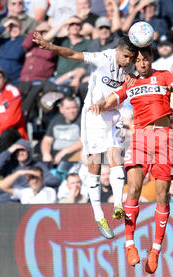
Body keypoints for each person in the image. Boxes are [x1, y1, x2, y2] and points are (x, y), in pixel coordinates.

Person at [88, 45, 173, 274]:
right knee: (133, 189)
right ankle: (130, 244)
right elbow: (113, 98)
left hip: (164, 137)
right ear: (134, 62)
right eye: (138, 60)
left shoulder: (163, 75)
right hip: (140, 137)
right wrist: (98, 105)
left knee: (162, 194)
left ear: (151, 59)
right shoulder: (130, 81)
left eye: (145, 59)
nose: (142, 63)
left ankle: (155, 250)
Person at [33, 33, 138, 239]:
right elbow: (72, 54)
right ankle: (98, 214)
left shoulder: (131, 65)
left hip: (113, 114)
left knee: (116, 156)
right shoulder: (103, 58)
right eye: (126, 57)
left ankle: (118, 204)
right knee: (95, 163)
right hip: (93, 114)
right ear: (117, 51)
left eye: (132, 58)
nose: (128, 62)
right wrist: (50, 46)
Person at [0, 138, 60, 203]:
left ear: (29, 152)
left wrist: (34, 183)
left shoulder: (37, 166)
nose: (20, 153)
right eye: (17, 151)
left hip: (19, 201)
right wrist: (9, 151)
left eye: (23, 150)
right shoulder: (10, 164)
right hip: (2, 199)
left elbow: (54, 181)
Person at [40, 96, 82, 167]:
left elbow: (83, 142)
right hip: (54, 154)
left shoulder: (82, 120)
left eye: (74, 108)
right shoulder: (56, 120)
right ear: (61, 109)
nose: (71, 111)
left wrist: (63, 152)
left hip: (73, 154)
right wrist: (46, 154)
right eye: (68, 108)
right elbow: (47, 140)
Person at [0, 16, 26, 83]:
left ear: (21, 27)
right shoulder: (4, 41)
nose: (13, 29)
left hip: (11, 78)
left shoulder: (24, 40)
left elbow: (16, 54)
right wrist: (4, 26)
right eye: (11, 27)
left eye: (15, 26)